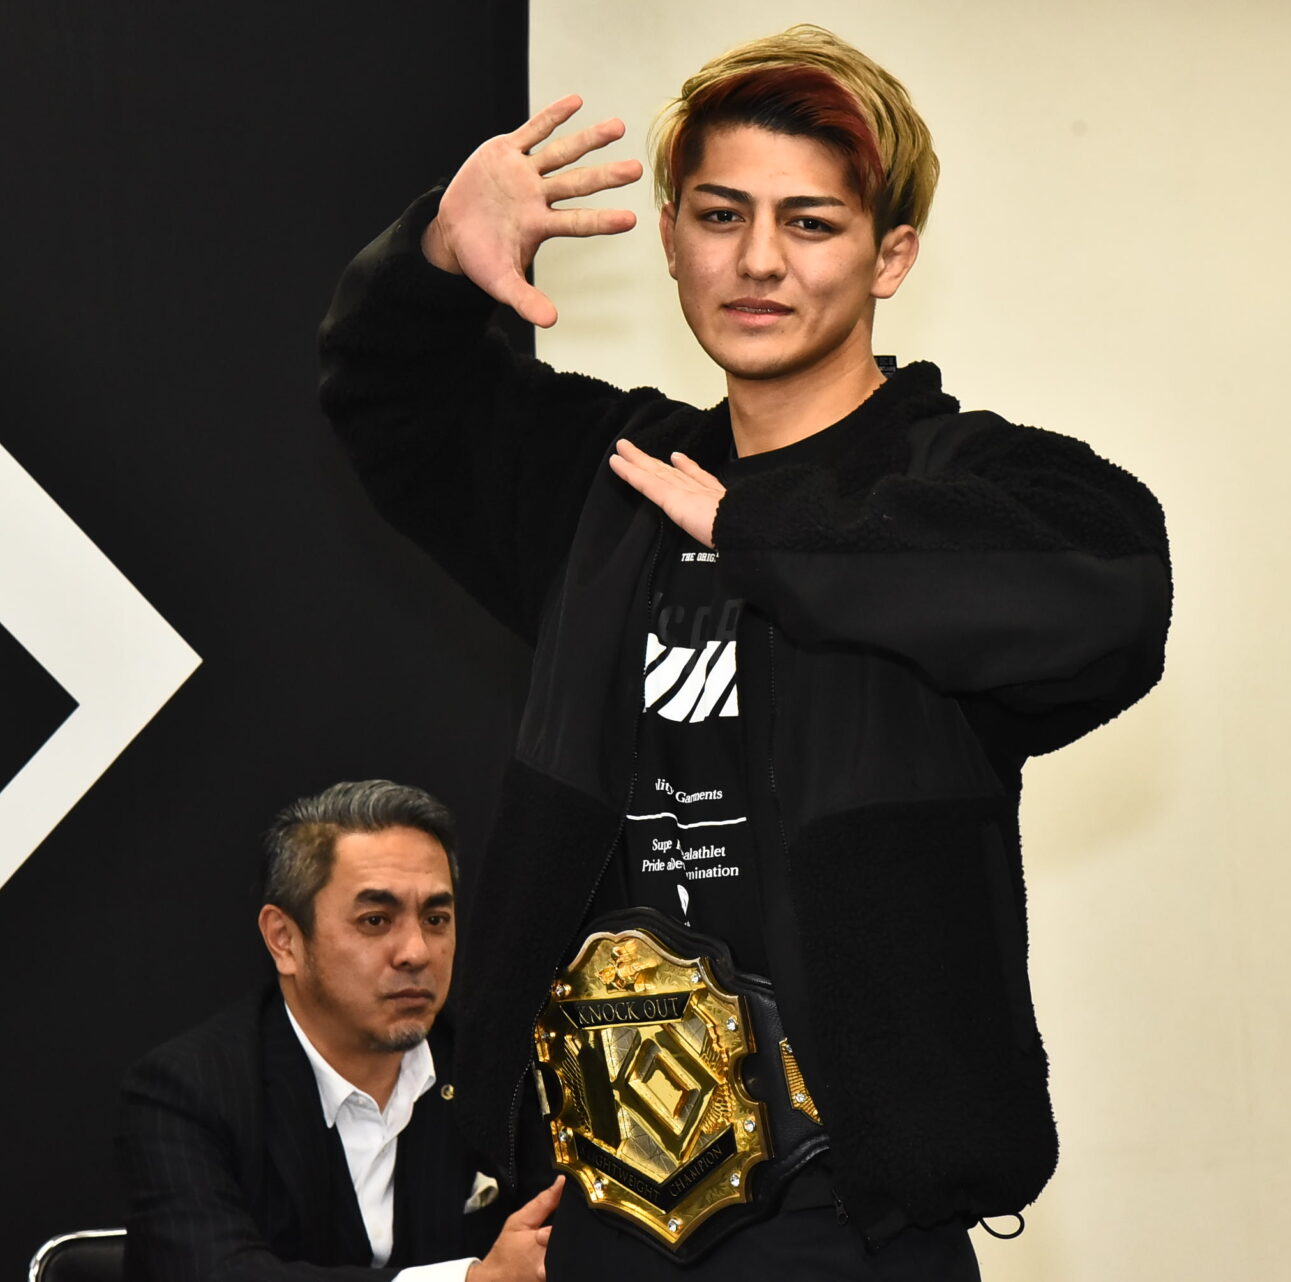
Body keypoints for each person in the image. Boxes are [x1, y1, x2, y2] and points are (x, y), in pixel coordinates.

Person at [317, 24, 1170, 1279]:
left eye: (811, 223)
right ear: (670, 237)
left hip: (850, 1220)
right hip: (602, 1207)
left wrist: (760, 530)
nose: (759, 260)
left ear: (891, 257)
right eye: (721, 216)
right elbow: (385, 395)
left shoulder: (955, 482)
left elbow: (1111, 586)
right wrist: (438, 253)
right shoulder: (611, 481)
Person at [117, 780, 561, 1281]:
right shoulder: (184, 1093)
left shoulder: (505, 1077)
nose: (416, 952)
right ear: (284, 940)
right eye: (376, 920)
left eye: (436, 919)